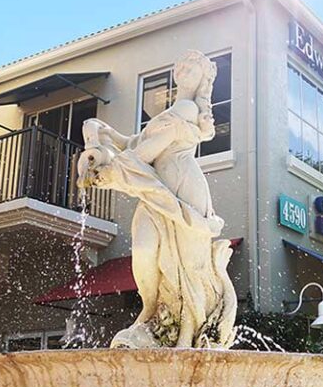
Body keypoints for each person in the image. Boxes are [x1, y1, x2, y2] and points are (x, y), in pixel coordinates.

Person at [78, 50, 236, 349]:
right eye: (181, 64)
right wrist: (101, 132)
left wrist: (115, 171)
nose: (184, 68)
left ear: (204, 77)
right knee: (143, 248)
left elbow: (146, 153)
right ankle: (150, 307)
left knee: (188, 264)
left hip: (183, 189)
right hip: (154, 190)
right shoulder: (169, 111)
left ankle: (188, 330)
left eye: (192, 66)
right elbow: (137, 144)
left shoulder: (188, 109)